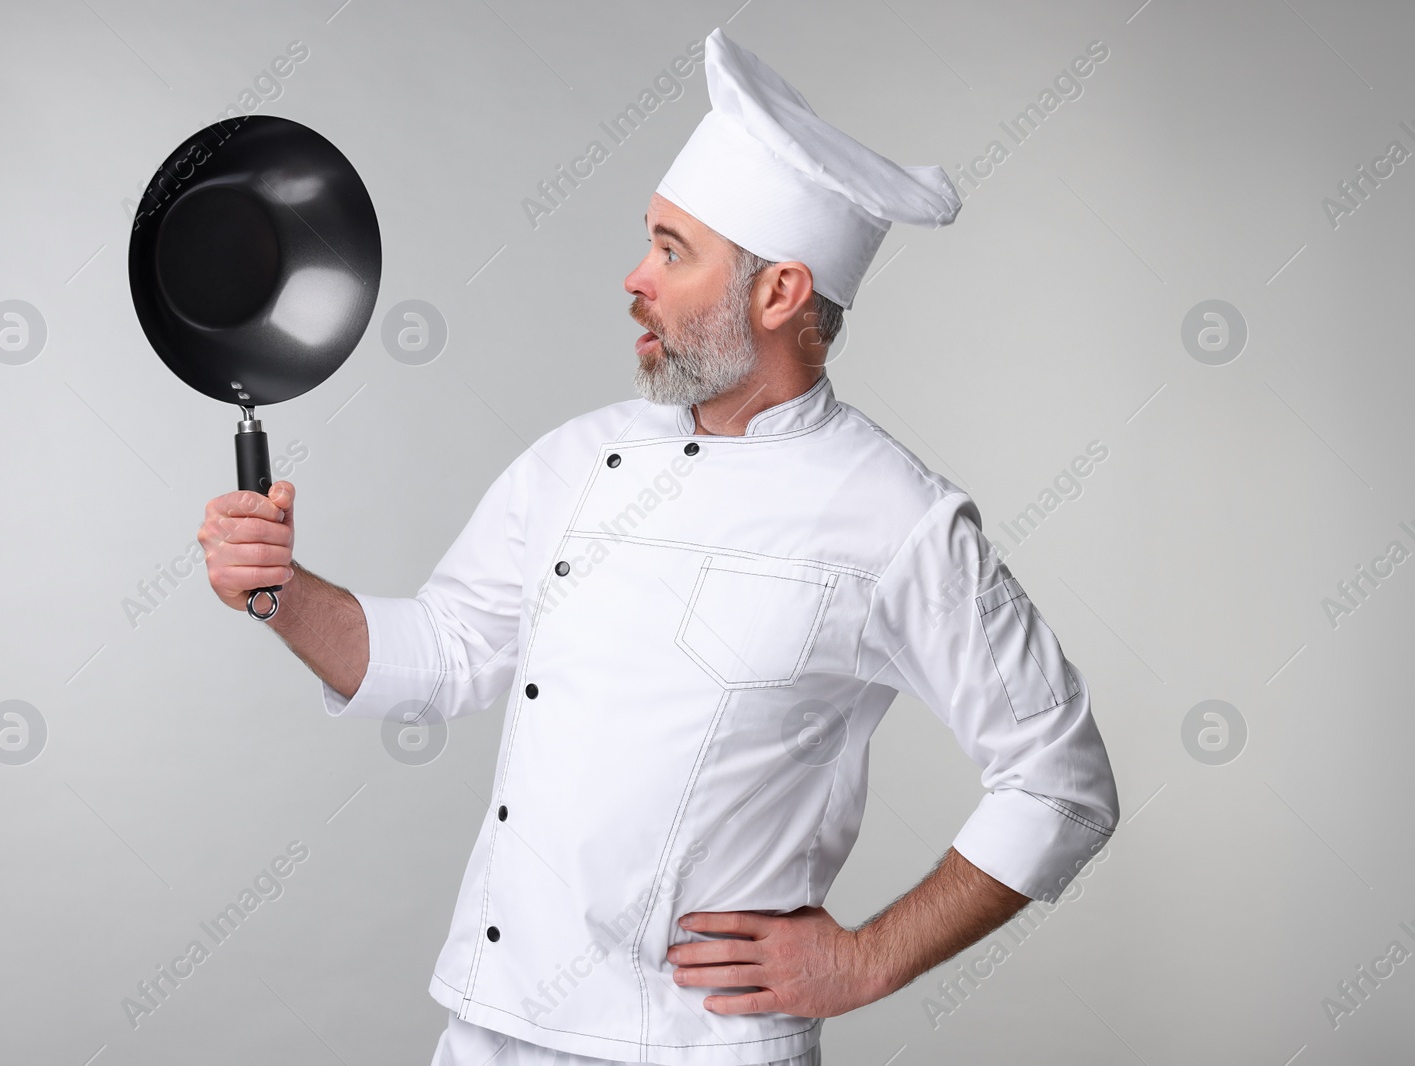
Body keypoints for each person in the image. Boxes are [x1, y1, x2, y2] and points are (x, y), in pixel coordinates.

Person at [199, 27, 1117, 1066]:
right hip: (489, 1028)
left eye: (672, 251)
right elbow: (444, 653)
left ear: (776, 294)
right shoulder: (575, 459)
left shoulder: (897, 520)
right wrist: (280, 591)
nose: (633, 276)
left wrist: (867, 959)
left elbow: (1060, 781)